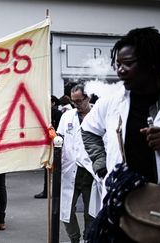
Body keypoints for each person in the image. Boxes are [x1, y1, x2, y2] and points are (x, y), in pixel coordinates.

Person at [81, 27, 160, 242]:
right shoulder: (113, 100)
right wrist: (102, 168)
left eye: (128, 64)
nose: (120, 70)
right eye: (118, 64)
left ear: (152, 63)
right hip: (121, 210)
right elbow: (88, 130)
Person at [56, 85, 97, 243]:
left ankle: (88, 238)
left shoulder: (97, 115)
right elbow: (59, 138)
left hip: (90, 172)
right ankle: (74, 238)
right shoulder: (67, 116)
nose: (76, 105)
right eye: (74, 102)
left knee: (91, 211)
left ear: (88, 98)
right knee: (65, 210)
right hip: (70, 170)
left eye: (79, 101)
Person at [34, 95, 64, 199]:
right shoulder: (46, 113)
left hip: (55, 144)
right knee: (48, 167)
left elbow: (59, 130)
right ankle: (47, 190)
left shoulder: (56, 114)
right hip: (48, 144)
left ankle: (52, 191)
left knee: (54, 168)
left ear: (53, 103)